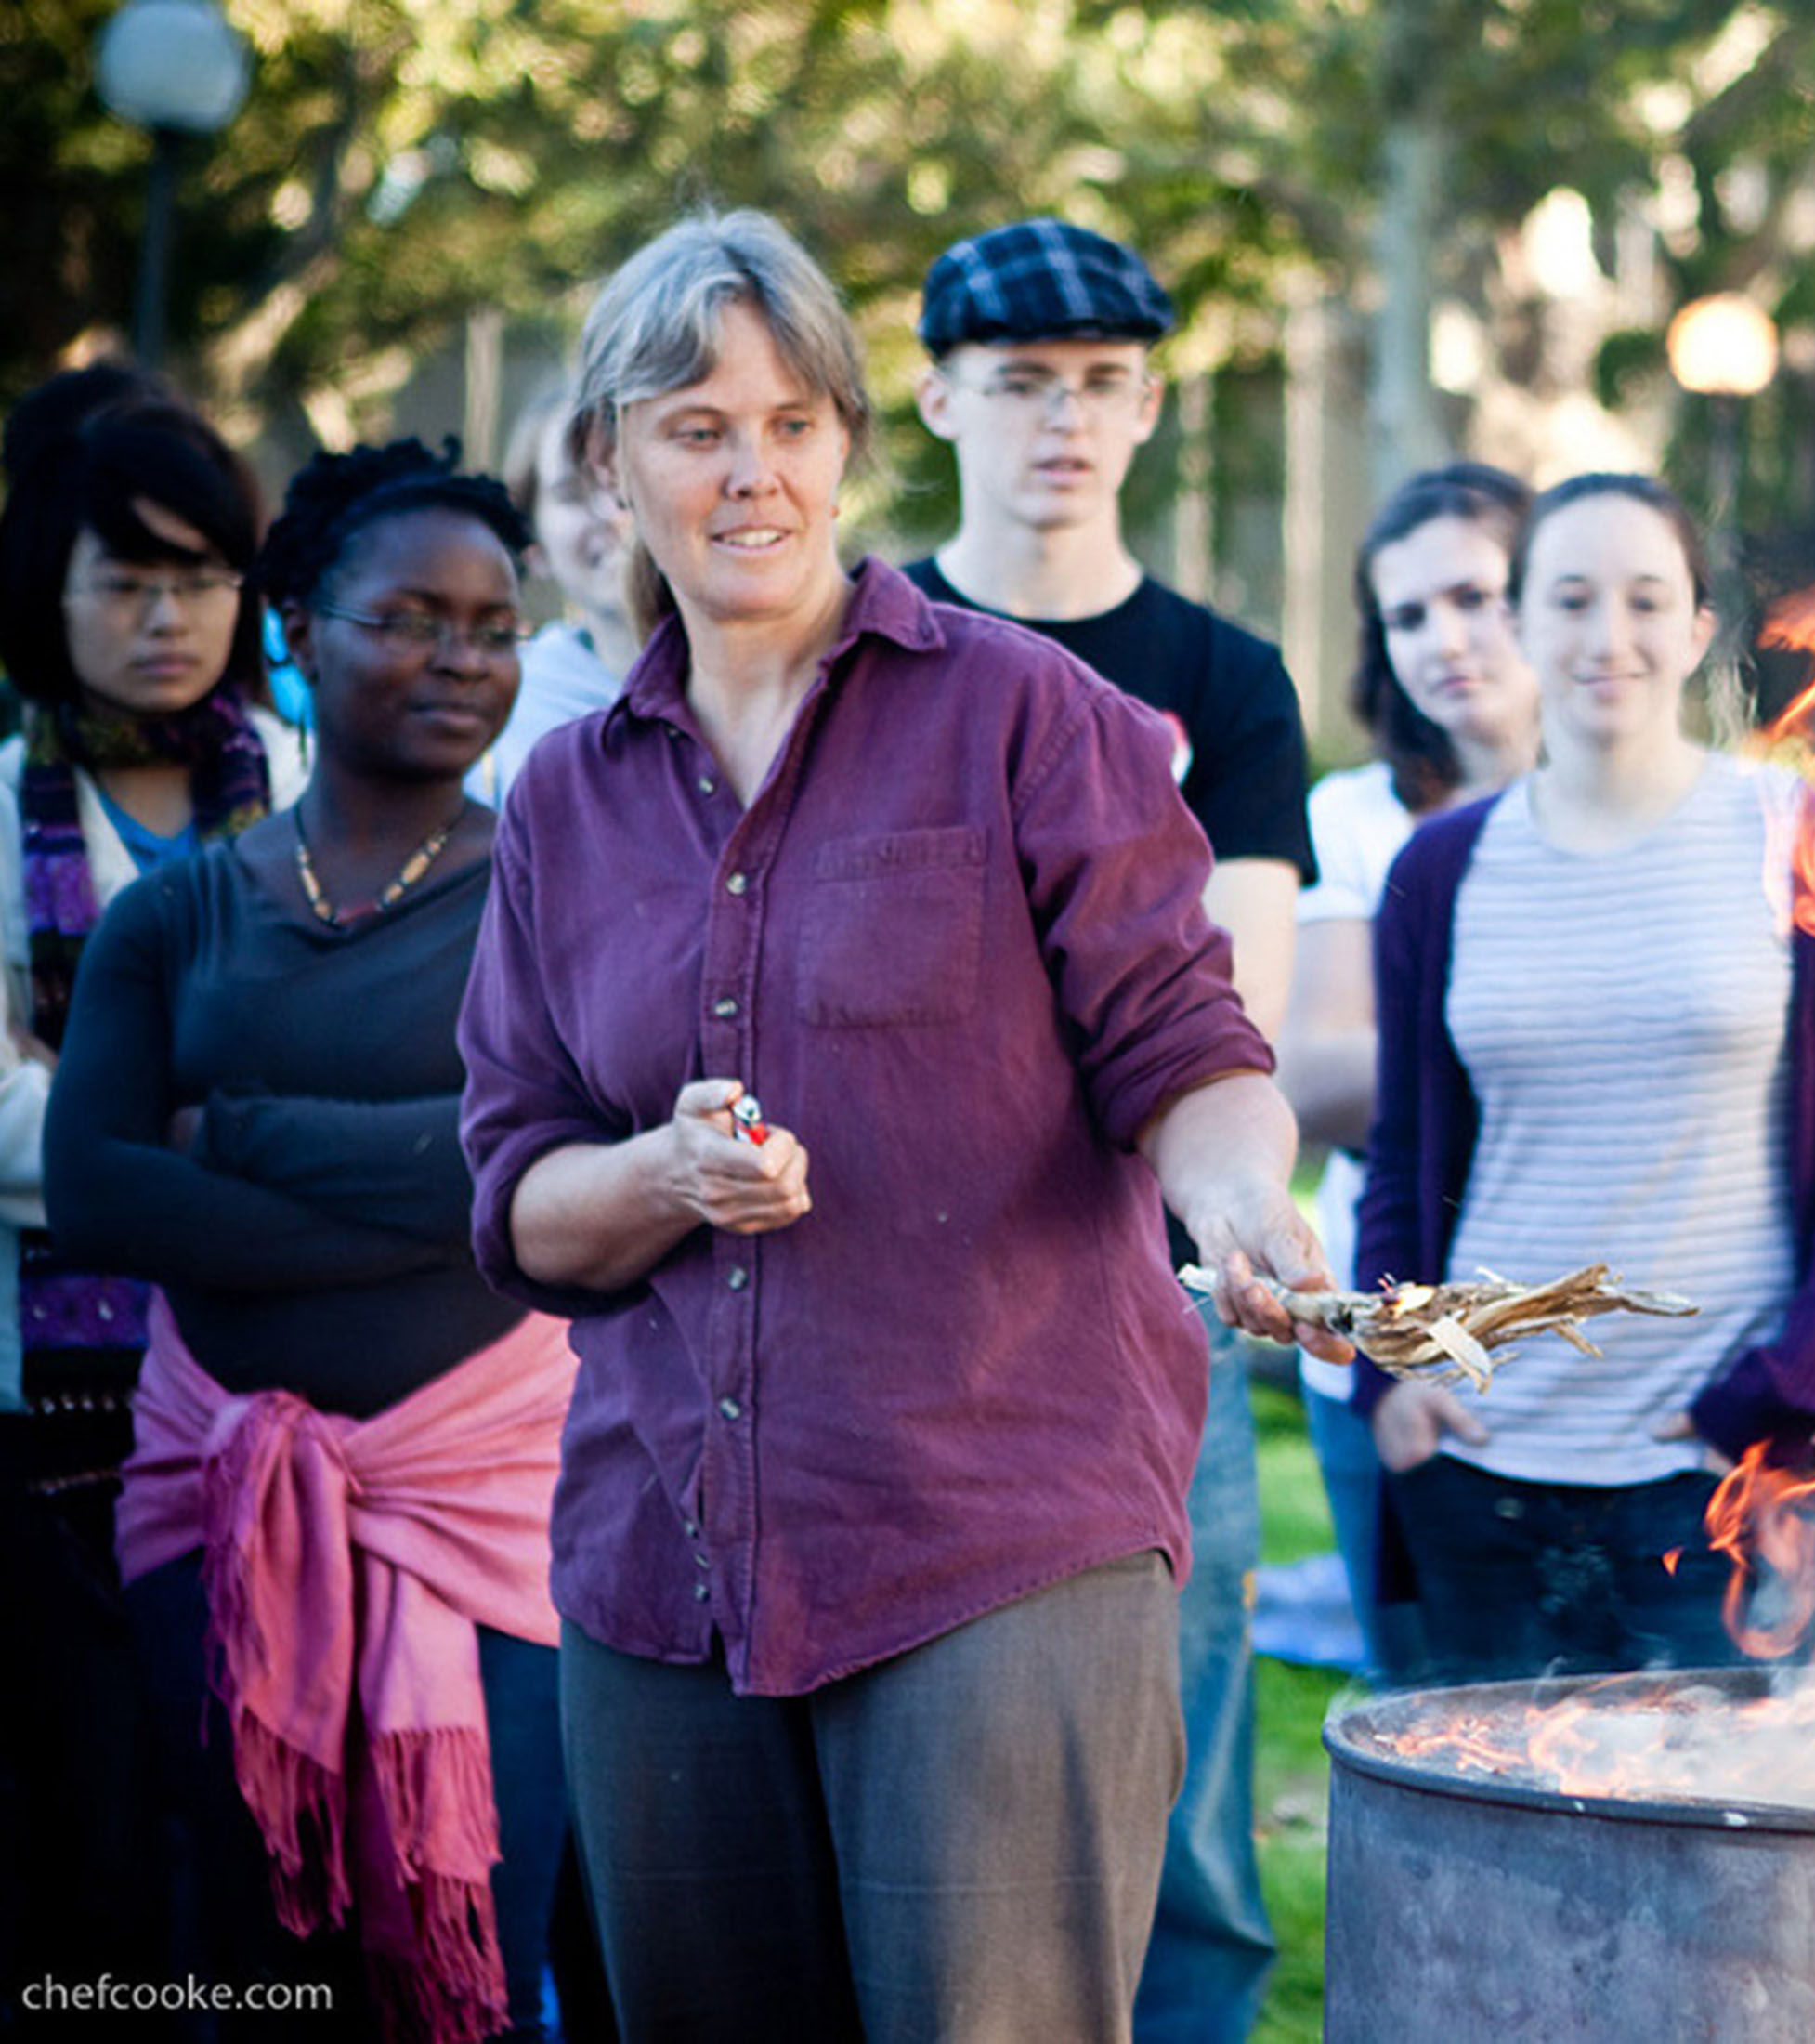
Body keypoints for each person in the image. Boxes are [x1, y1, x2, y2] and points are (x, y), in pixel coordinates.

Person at [456, 209, 1341, 2044]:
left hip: (994, 1531)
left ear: (852, 439)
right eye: (696, 426)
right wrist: (656, 1174)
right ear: (613, 460)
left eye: (793, 421)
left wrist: (1243, 1200)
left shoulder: (1027, 714)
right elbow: (515, 1184)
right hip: (661, 1564)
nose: (751, 469)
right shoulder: (561, 795)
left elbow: (1182, 1034)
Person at [45, 438, 566, 2043]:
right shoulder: (178, 914)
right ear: (296, 625)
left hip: (492, 1520)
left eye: (492, 624)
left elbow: (556, 1165)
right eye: (411, 615)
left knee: (479, 1936)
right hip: (215, 1501)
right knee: (246, 1949)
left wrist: (248, 1135)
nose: (462, 659)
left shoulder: (559, 898)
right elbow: (103, 1198)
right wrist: (455, 1211)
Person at [908, 215, 1313, 2044]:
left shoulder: (1221, 682)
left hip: (1149, 1303)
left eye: (1100, 385)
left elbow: (1232, 1003)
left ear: (1148, 404)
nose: (1062, 422)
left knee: (1194, 1808)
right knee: (901, 1783)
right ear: (934, 398)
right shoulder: (864, 645)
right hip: (887, 1306)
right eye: (1018, 386)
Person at [1353, 472, 1815, 1683]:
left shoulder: (1812, 842)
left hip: (1715, 1482)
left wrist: (1790, 1386)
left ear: (1698, 629)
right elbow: (1403, 1158)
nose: (1607, 638)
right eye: (1569, 600)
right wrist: (1389, 1377)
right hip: (1478, 1474)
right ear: (1519, 621)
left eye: (1645, 600)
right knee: (1487, 1853)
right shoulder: (1439, 871)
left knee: (1717, 1851)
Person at [0, 366, 307, 1999]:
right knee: (94, 1848)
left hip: (305, 1422)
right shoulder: (1, 807)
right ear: (50, 592)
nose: (169, 615)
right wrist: (244, 1135)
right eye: (126, 579)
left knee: (270, 1843)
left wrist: (110, 1124)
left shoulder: (322, 799)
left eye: (202, 575)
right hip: (52, 1435)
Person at [1278, 462, 1542, 1681]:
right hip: (1401, 1327)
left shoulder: (1667, 806)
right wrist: (1555, 1040)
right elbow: (1317, 1078)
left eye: (1473, 596)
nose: (1443, 640)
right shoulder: (1356, 817)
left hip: (1615, 1325)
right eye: (1407, 616)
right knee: (1432, 1713)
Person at [471, 385, 642, 801]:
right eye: (572, 493)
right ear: (533, 546)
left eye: (628, 485)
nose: (613, 515)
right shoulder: (499, 716)